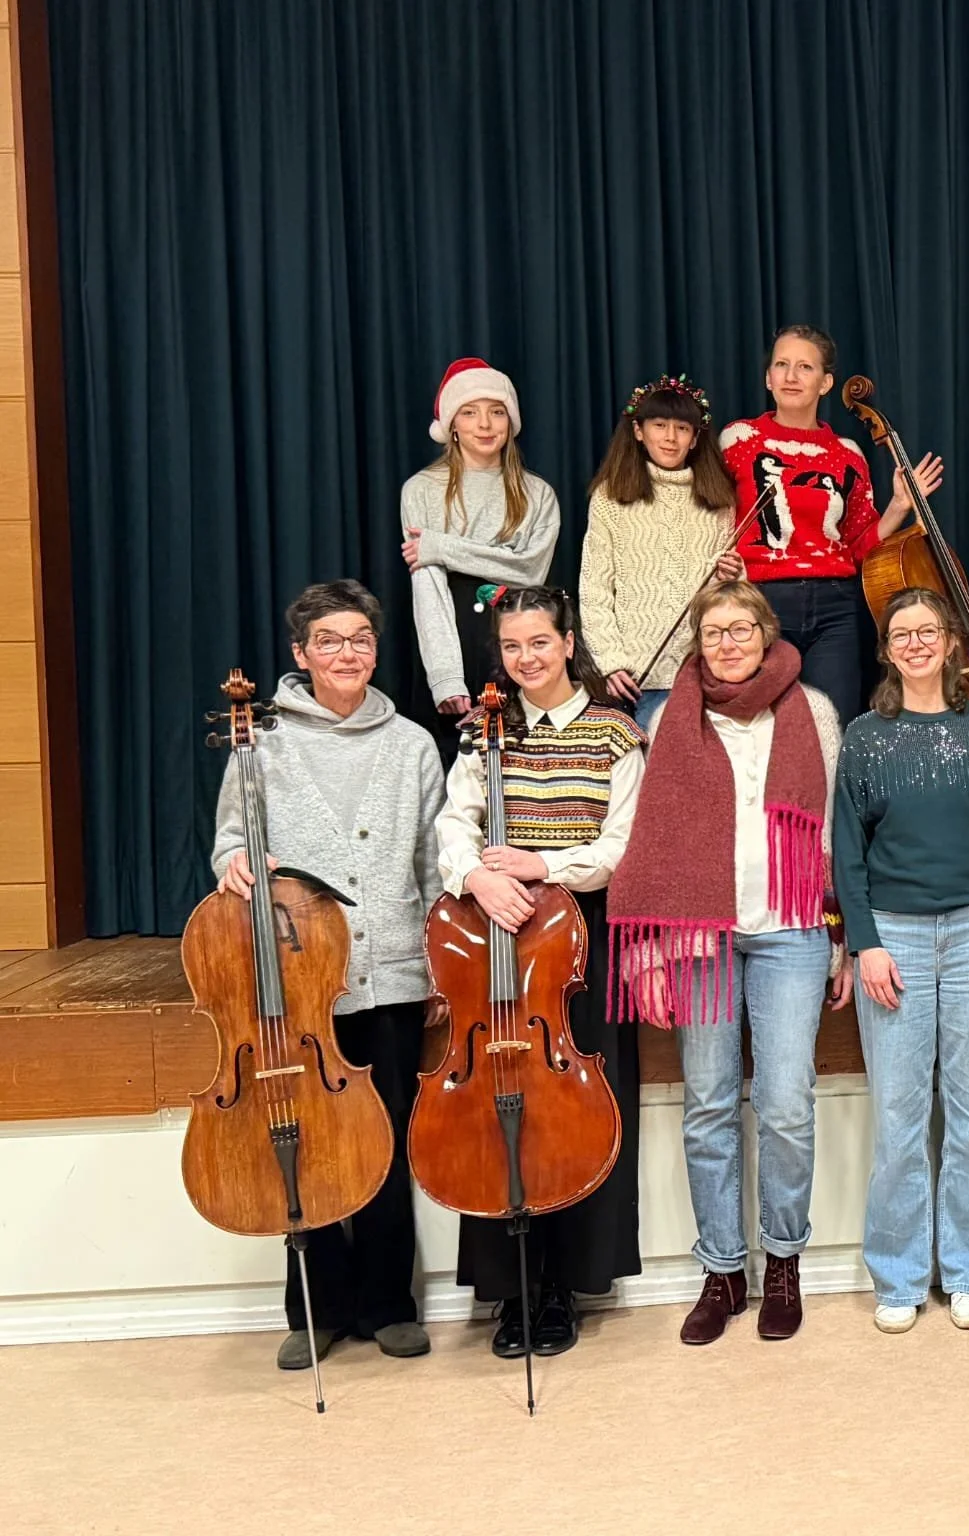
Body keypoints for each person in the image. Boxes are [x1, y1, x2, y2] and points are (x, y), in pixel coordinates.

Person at [208, 580, 445, 1371]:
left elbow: (432, 866)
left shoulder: (411, 742)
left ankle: (389, 1304)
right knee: (299, 1140)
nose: (348, 653)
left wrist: (439, 961)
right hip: (301, 982)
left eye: (361, 640)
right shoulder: (261, 740)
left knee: (383, 1144)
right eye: (331, 641)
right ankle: (314, 1308)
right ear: (301, 654)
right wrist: (236, 861)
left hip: (393, 975)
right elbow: (229, 843)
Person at [610, 579, 849, 1345]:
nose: (729, 642)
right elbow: (650, 843)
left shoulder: (812, 711)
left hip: (793, 930)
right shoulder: (668, 717)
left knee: (783, 1103)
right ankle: (722, 1269)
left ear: (766, 632)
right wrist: (648, 948)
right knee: (709, 1102)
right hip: (699, 936)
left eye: (741, 628)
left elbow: (836, 833)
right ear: (697, 642)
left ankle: (783, 1259)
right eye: (714, 632)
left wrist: (841, 935)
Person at [434, 585, 646, 1358]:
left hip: (577, 939)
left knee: (573, 1104)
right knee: (496, 1104)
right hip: (494, 928)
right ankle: (513, 1288)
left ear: (567, 642)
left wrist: (544, 864)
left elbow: (624, 847)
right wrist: (476, 879)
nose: (526, 659)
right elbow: (454, 823)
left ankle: (567, 1282)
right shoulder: (480, 734)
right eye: (512, 647)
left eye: (540, 643)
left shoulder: (615, 735)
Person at [834, 587, 969, 1333]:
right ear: (887, 650)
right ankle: (900, 1276)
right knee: (899, 1117)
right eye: (900, 634)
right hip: (896, 938)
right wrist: (866, 943)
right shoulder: (864, 736)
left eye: (928, 632)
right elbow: (847, 850)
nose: (915, 644)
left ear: (951, 644)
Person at [718, 324, 942, 722]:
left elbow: (858, 547)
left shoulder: (848, 454)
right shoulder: (738, 439)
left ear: (825, 383)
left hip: (835, 607)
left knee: (834, 725)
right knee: (764, 725)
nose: (791, 376)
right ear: (768, 377)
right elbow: (714, 521)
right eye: (782, 365)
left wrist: (899, 506)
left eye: (805, 367)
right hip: (762, 601)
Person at [402, 357, 562, 758]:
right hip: (452, 639)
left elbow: (530, 569)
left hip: (517, 636)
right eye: (470, 413)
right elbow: (428, 582)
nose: (485, 425)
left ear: (511, 422)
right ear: (452, 425)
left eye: (497, 412)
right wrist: (446, 677)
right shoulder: (421, 489)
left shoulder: (537, 493)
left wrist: (441, 547)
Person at [580, 374, 746, 731]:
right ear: (639, 431)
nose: (670, 437)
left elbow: (735, 596)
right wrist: (611, 662)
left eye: (682, 428)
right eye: (659, 425)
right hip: (641, 680)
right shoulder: (610, 498)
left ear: (695, 437)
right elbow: (594, 590)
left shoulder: (718, 502)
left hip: (708, 673)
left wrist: (733, 575)